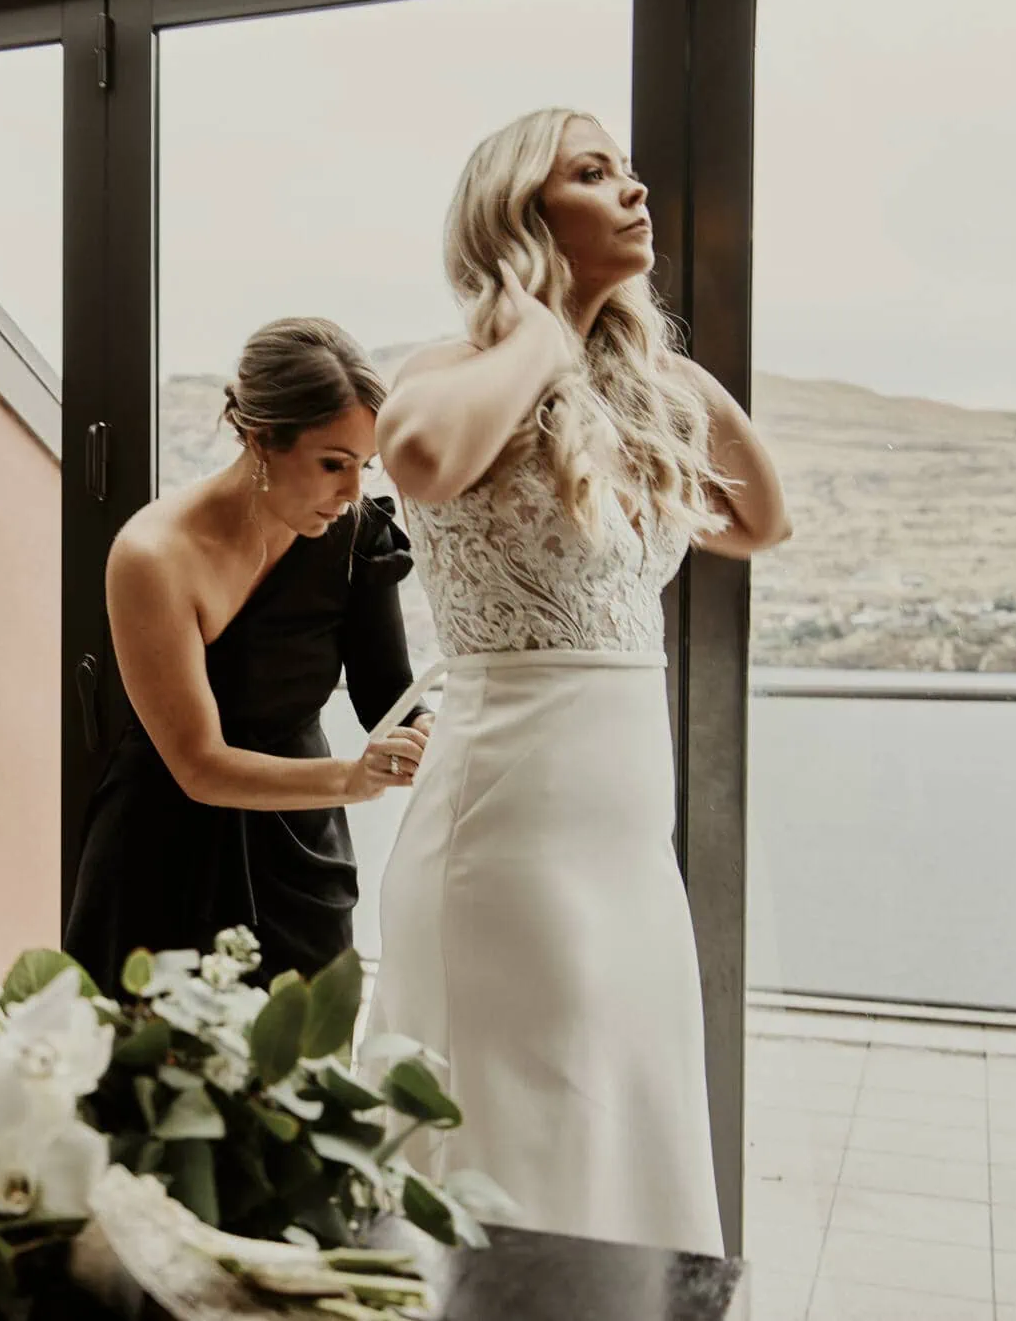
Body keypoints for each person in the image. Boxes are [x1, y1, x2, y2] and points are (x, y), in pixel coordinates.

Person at [359, 109, 791, 1257]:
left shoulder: (640, 393)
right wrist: (544, 338)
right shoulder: (459, 369)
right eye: (593, 174)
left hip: (622, 844)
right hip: (506, 831)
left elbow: (759, 519)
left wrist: (668, 376)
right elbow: (420, 459)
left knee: (620, 1103)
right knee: (524, 1124)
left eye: (630, 172)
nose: (634, 192)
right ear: (520, 215)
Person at [64, 318, 435, 997]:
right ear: (262, 438)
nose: (353, 491)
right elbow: (198, 764)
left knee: (306, 1081)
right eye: (333, 463)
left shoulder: (354, 535)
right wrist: (351, 780)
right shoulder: (153, 557)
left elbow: (392, 698)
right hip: (161, 856)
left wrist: (424, 733)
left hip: (301, 861)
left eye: (365, 465)